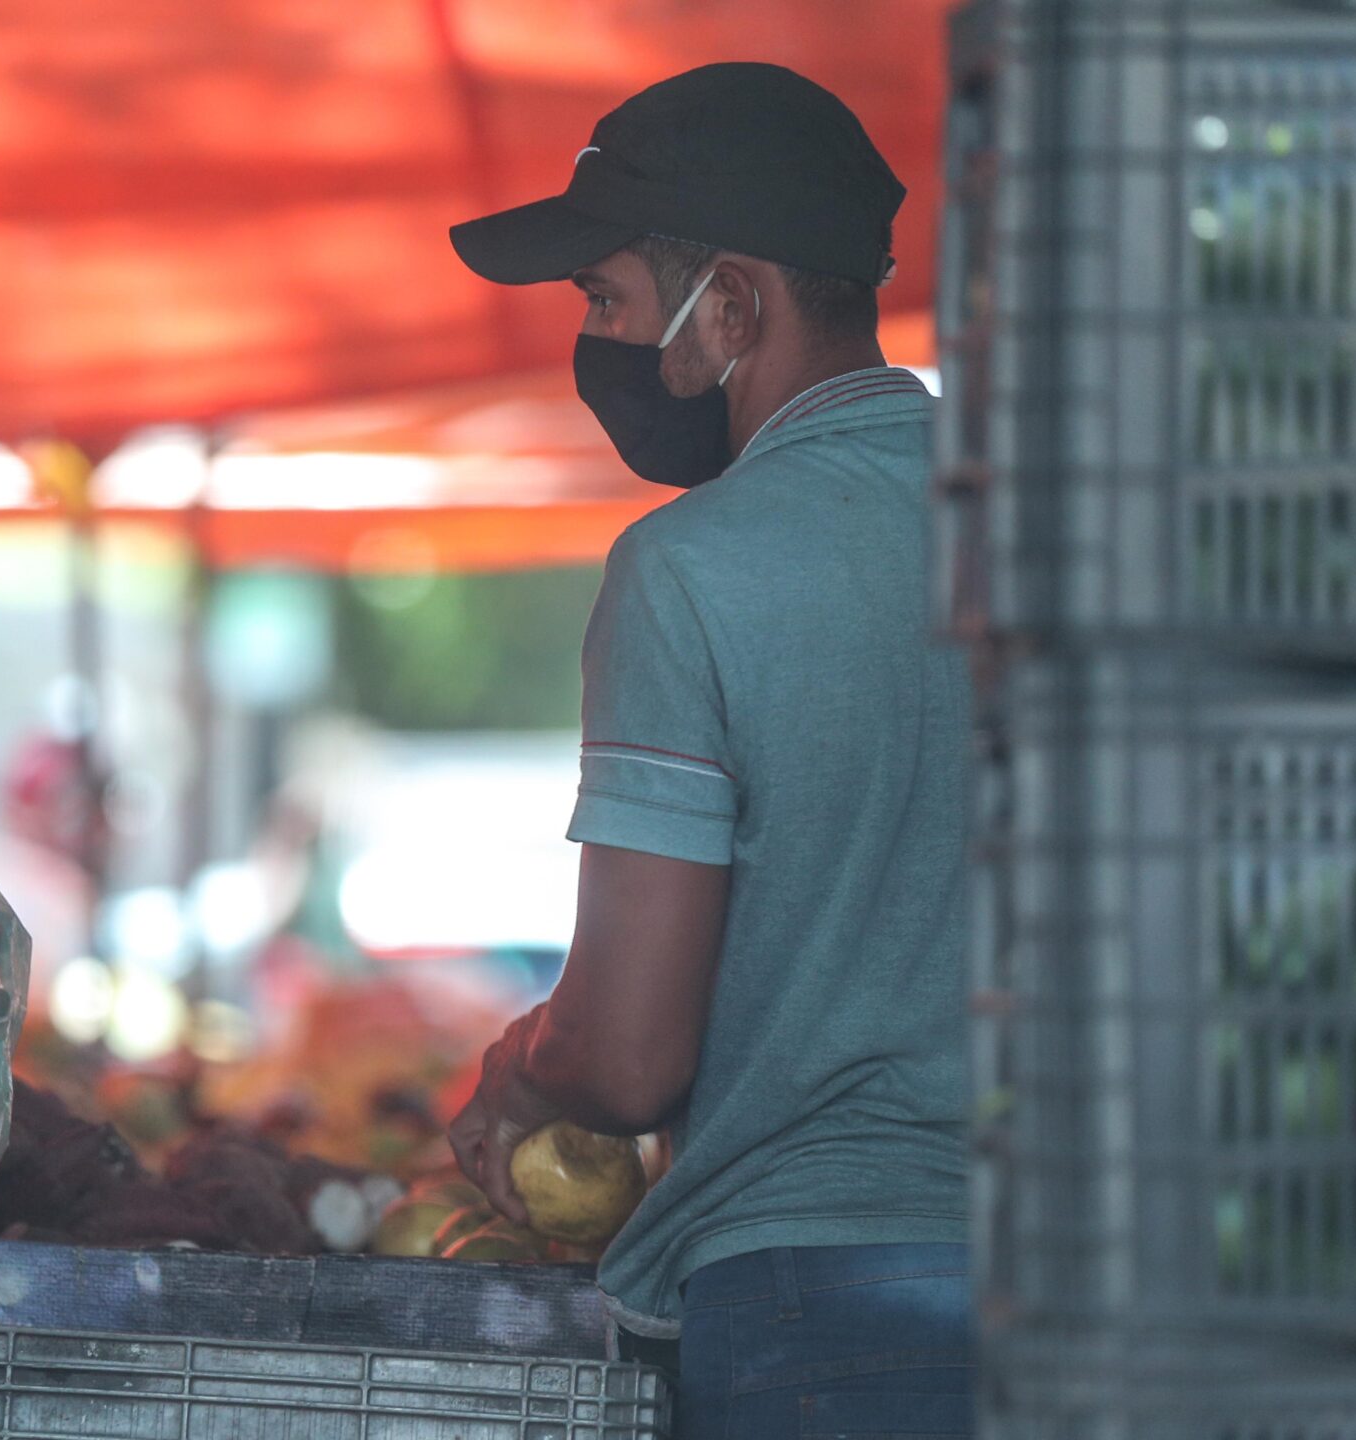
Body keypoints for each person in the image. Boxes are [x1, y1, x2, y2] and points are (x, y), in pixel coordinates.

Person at [439, 64, 973, 1436]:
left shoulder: (691, 572)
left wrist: (514, 1077)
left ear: (733, 305)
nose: (602, 346)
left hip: (829, 1309)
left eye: (611, 303)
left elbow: (623, 1061)